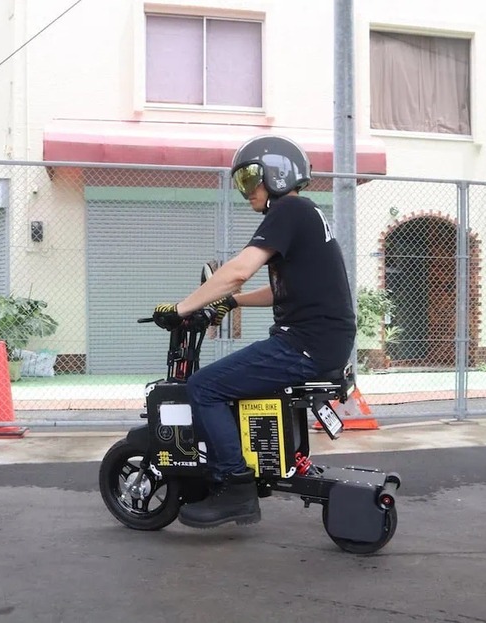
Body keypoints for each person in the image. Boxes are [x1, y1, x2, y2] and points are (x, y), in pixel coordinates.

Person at [151, 135, 356, 529]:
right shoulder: (305, 214)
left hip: (304, 345)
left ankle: (235, 486)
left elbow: (238, 270)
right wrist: (235, 302)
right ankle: (242, 468)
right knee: (226, 386)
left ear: (276, 176)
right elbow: (282, 291)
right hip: (320, 342)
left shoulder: (289, 211)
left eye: (250, 180)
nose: (247, 192)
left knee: (205, 387)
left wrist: (180, 309)